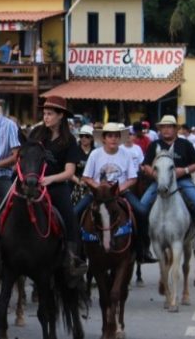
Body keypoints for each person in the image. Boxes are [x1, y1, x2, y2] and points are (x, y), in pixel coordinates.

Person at [139, 115, 195, 271]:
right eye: (163, 127)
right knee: (141, 207)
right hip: (159, 182)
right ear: (160, 129)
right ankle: (143, 247)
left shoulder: (185, 144)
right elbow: (146, 165)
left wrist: (185, 170)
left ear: (175, 129)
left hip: (182, 180)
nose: (166, 129)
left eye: (170, 126)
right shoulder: (154, 145)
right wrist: (155, 175)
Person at [27, 96, 87, 285]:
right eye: (44, 113)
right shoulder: (36, 133)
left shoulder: (69, 141)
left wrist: (50, 179)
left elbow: (69, 172)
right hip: (31, 183)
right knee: (4, 206)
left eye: (50, 114)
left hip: (56, 186)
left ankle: (71, 259)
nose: (46, 117)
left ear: (61, 116)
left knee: (70, 218)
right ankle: (1, 255)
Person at [74, 123, 153, 262]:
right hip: (97, 194)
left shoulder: (126, 154)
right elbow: (86, 177)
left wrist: (118, 189)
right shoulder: (95, 154)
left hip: (121, 192)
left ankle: (142, 249)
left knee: (142, 211)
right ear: (104, 138)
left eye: (116, 136)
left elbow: (132, 178)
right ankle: (77, 252)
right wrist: (99, 188)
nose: (114, 139)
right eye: (110, 136)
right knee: (75, 212)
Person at [70, 125, 94, 207]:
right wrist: (79, 182)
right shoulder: (74, 151)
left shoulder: (96, 152)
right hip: (75, 184)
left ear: (91, 138)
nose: (83, 138)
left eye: (87, 136)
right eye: (81, 136)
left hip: (92, 184)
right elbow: (69, 172)